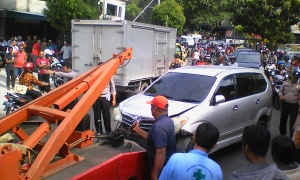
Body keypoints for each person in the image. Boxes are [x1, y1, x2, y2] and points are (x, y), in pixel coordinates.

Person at [132, 95, 176, 180]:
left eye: (151, 107)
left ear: (155, 108)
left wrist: (154, 175)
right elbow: (152, 138)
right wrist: (137, 129)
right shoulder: (168, 122)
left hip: (161, 170)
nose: (151, 109)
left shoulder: (159, 127)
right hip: (166, 167)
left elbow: (161, 154)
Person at [92, 64, 116, 135]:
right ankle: (99, 130)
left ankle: (108, 130)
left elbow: (112, 88)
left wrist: (114, 99)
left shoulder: (109, 75)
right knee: (97, 115)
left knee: (106, 115)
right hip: (96, 97)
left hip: (105, 97)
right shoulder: (95, 76)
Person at [279, 71, 300, 138]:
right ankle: (282, 134)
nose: (295, 79)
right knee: (283, 120)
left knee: (292, 122)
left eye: (296, 78)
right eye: (294, 77)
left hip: (294, 106)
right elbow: (280, 91)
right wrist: (281, 95)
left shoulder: (299, 86)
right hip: (285, 104)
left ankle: (292, 137)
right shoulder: (285, 83)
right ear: (291, 76)